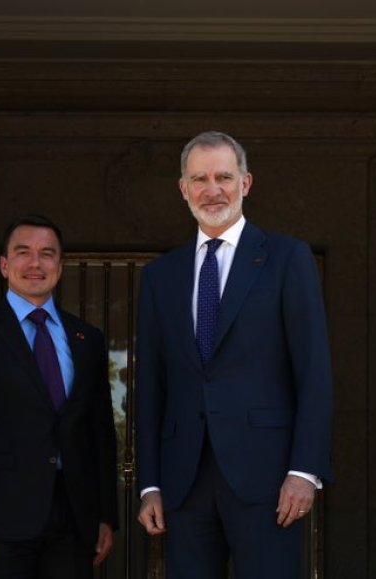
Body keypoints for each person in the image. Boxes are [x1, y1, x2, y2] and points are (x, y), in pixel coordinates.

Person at [135, 131, 333, 579]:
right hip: (183, 481)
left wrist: (305, 470)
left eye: (224, 177)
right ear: (183, 188)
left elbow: (314, 372)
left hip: (268, 478)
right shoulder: (161, 276)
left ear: (246, 183)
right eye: (199, 179)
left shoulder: (287, 258)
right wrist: (150, 484)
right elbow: (149, 387)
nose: (213, 190)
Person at [0, 214, 118, 578]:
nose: (35, 263)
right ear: (4, 266)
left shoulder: (87, 339)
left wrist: (106, 515)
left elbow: (100, 431)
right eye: (23, 252)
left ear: (60, 267)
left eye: (47, 254)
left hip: (74, 518)